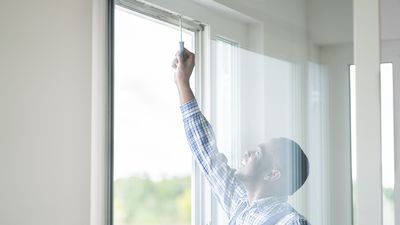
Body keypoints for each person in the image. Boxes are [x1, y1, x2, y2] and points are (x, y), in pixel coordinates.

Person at [171, 48, 310, 225]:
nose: (247, 153)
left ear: (273, 174)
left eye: (258, 153)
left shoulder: (290, 222)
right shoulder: (241, 206)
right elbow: (206, 151)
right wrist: (182, 82)